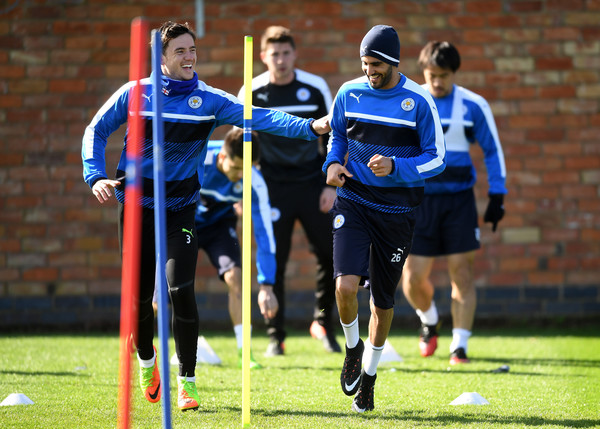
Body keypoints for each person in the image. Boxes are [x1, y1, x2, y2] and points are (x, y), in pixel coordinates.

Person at [81, 21, 330, 411]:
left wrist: (310, 126)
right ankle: (147, 363)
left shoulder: (209, 99)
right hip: (136, 208)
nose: (189, 57)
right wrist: (95, 175)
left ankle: (188, 382)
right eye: (179, 51)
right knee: (140, 300)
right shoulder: (135, 94)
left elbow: (260, 117)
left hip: (181, 208)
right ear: (161, 58)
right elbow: (96, 131)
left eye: (192, 49)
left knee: (181, 291)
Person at [324, 25, 445, 413]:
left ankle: (370, 379)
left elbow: (436, 158)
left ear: (394, 63)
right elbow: (338, 135)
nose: (369, 71)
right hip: (354, 201)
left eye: (376, 65)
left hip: (397, 213)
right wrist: (331, 162)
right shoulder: (349, 91)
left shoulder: (419, 100)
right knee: (344, 287)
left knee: (381, 301)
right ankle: (352, 349)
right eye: (364, 64)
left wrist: (395, 166)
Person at [401, 41, 507, 365]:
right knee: (412, 279)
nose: (437, 82)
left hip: (459, 201)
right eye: (431, 75)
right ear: (423, 72)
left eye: (443, 76)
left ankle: (459, 347)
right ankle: (430, 319)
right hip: (419, 201)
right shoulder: (409, 102)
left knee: (461, 271)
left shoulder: (473, 105)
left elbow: (492, 150)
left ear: (454, 73)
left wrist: (497, 195)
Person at [237, 25, 340, 356]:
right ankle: (274, 335)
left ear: (294, 54)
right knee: (274, 259)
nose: (280, 60)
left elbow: (335, 134)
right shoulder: (251, 91)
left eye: (285, 53)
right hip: (270, 187)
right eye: (274, 54)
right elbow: (238, 146)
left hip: (313, 183)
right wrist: (243, 191)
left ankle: (323, 323)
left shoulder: (314, 88)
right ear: (263, 56)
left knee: (331, 254)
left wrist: (331, 184)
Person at [153, 127, 278, 370]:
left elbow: (265, 236)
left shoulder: (256, 183)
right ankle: (152, 346)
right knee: (161, 293)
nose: (242, 176)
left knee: (236, 279)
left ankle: (245, 352)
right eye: (237, 169)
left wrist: (267, 285)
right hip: (182, 221)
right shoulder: (197, 156)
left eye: (248, 170)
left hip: (219, 227)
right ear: (222, 157)